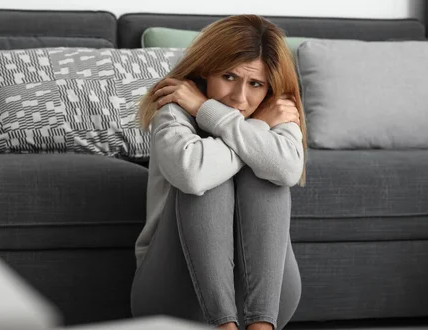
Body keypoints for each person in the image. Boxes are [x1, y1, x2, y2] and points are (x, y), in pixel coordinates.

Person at [130, 14, 308, 330]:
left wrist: (211, 113)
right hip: (173, 295)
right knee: (211, 176)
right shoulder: (174, 107)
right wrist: (256, 126)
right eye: (228, 77)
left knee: (268, 172)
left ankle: (261, 326)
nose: (239, 98)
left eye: (255, 84)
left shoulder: (278, 108)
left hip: (270, 301)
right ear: (204, 69)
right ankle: (223, 325)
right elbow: (192, 173)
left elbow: (288, 169)